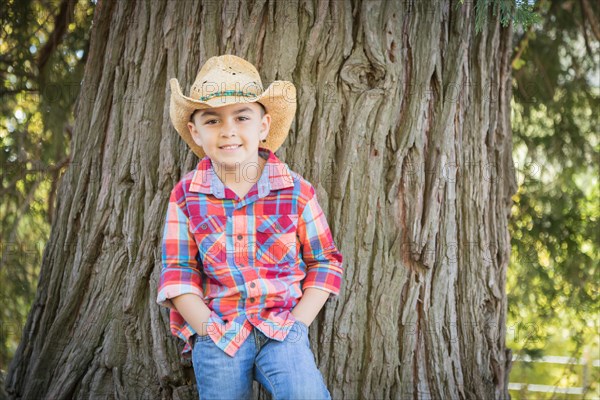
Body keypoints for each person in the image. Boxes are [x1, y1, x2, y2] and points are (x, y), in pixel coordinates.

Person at [156, 54, 344, 400]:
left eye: (241, 117)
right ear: (195, 132)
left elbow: (325, 261)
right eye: (213, 121)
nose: (228, 130)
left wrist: (297, 326)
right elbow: (178, 270)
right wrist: (206, 330)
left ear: (263, 126)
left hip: (281, 327)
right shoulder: (187, 195)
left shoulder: (295, 191)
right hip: (219, 330)